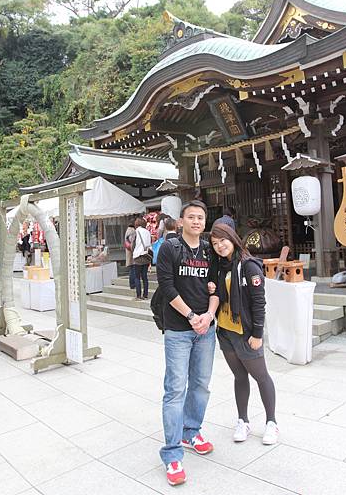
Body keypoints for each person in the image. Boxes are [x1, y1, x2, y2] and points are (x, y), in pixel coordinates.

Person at [156, 200, 219, 486]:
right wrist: (192, 316)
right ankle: (172, 454)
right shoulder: (170, 247)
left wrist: (208, 315)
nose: (196, 221)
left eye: (200, 218)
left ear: (205, 222)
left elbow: (217, 284)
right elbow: (166, 286)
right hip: (179, 329)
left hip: (206, 328)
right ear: (181, 221)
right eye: (191, 217)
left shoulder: (209, 249)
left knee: (201, 384)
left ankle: (191, 431)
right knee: (175, 389)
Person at [209, 223, 279, 446]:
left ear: (232, 238)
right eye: (215, 243)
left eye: (223, 241)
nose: (220, 246)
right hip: (226, 332)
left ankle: (271, 422)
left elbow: (259, 302)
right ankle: (243, 420)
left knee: (261, 376)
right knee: (240, 377)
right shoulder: (221, 267)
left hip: (246, 332)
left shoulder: (248, 266)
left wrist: (257, 333)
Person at [132, 217, 152, 300]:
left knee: (137, 277)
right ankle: (145, 295)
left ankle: (138, 295)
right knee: (144, 276)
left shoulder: (136, 232)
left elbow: (133, 244)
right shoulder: (147, 232)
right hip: (146, 256)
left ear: (137, 224)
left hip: (138, 255)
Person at [124, 221, 136, 289]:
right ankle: (132, 284)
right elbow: (132, 243)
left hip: (128, 252)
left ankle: (132, 284)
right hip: (131, 252)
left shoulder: (127, 230)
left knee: (131, 268)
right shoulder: (132, 231)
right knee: (133, 268)